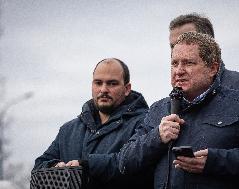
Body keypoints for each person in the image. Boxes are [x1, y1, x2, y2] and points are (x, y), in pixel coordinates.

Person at [118, 32, 239, 189]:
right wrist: (157, 137)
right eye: (174, 63)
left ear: (213, 68)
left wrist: (215, 161)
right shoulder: (158, 110)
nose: (179, 71)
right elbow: (124, 161)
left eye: (189, 63)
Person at [168, 13, 239, 188]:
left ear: (208, 43)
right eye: (173, 45)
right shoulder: (173, 100)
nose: (178, 47)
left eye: (188, 39)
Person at [33, 58, 153, 189]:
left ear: (127, 89)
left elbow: (133, 166)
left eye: (112, 83)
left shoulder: (145, 123)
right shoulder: (68, 130)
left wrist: (86, 166)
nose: (103, 89)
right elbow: (39, 166)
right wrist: (54, 167)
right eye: (98, 83)